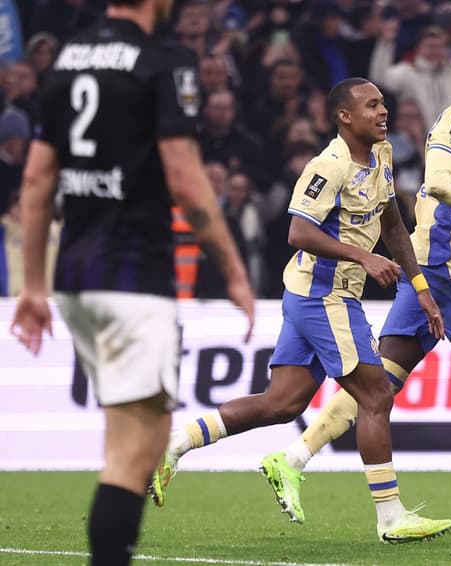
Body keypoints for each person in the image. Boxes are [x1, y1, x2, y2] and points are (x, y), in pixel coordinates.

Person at [154, 44, 451, 539]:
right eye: (372, 105)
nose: (385, 112)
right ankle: (393, 517)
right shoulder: (329, 165)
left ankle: (175, 446)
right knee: (378, 393)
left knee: (283, 403)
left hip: (333, 290)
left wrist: (420, 285)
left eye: (383, 103)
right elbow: (297, 231)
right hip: (325, 294)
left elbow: (395, 224)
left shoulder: (380, 154)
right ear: (343, 116)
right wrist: (364, 256)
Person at [8, 0, 256, 564]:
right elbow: (186, 181)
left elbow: (37, 178)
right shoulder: (163, 61)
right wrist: (235, 271)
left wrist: (33, 287)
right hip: (131, 277)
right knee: (133, 451)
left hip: (74, 277)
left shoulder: (67, 59)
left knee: (131, 441)